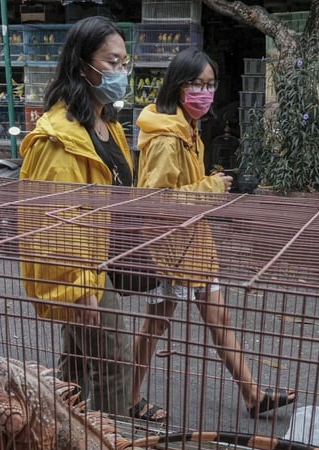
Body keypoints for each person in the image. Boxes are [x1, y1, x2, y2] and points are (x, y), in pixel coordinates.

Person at [133, 48, 297, 419]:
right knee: (155, 324)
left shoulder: (187, 128)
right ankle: (127, 397)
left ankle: (253, 395)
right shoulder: (166, 138)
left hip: (194, 244)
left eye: (210, 84)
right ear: (178, 86)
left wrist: (207, 187)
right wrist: (210, 188)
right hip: (169, 246)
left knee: (216, 318)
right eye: (196, 84)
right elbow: (156, 201)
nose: (204, 92)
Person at [17, 16, 156, 420]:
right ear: (83, 66)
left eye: (124, 63)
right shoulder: (59, 136)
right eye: (111, 62)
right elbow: (55, 221)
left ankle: (62, 439)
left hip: (105, 257)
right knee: (116, 363)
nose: (120, 72)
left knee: (76, 365)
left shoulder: (106, 122)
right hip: (83, 270)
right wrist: (80, 287)